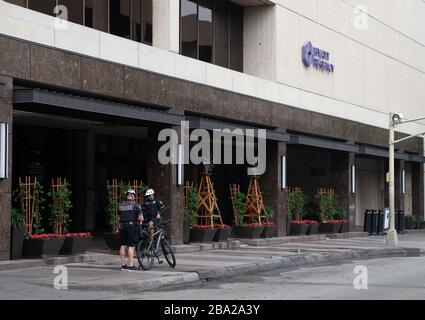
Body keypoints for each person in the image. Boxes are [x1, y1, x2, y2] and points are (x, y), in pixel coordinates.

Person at [117, 189, 143, 272]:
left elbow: (118, 218)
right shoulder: (136, 205)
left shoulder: (121, 205)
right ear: (132, 195)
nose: (134, 197)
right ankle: (131, 266)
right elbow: (141, 218)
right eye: (134, 195)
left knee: (123, 245)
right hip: (131, 227)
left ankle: (123, 265)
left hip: (123, 227)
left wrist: (119, 226)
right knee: (131, 246)